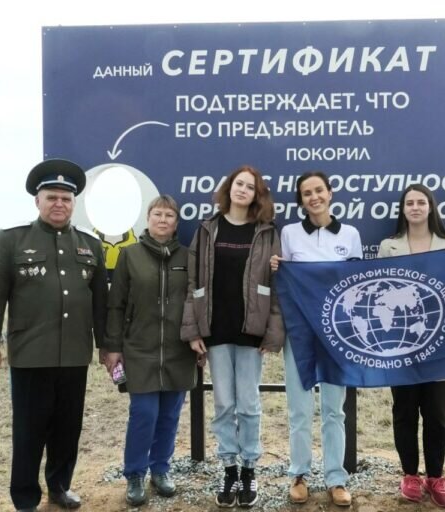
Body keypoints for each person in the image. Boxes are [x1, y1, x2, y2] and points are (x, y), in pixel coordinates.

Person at [0, 159, 108, 512]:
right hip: (31, 354)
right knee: (29, 431)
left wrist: (107, 347)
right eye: (51, 197)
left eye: (65, 198)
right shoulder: (12, 240)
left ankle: (60, 487)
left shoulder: (90, 246)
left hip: (74, 355)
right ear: (38, 201)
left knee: (67, 430)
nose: (59, 204)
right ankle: (25, 499)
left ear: (74, 203)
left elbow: (101, 304)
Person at [181, 165, 284, 508]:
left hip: (250, 331)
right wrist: (193, 329)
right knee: (224, 403)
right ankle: (229, 468)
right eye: (238, 184)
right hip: (216, 330)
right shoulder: (207, 229)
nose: (243, 190)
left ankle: (250, 469)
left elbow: (276, 286)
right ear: (229, 188)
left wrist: (272, 331)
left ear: (257, 195)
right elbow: (192, 284)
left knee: (249, 404)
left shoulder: (267, 231)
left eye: (250, 187)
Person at [270, 171, 362, 507]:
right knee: (299, 407)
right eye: (306, 193)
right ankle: (299, 474)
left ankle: (336, 478)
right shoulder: (290, 234)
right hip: (302, 333)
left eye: (318, 190)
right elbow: (288, 284)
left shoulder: (350, 234)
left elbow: (354, 285)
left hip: (337, 335)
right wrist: (278, 266)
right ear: (301, 200)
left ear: (330, 193)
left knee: (334, 410)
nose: (314, 197)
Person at [103, 195, 197, 506]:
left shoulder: (188, 256)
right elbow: (115, 305)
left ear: (176, 223)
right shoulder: (130, 256)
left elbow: (198, 301)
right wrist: (113, 347)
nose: (163, 220)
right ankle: (134, 474)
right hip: (139, 350)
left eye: (169, 216)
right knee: (144, 414)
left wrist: (198, 339)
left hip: (178, 351)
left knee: (169, 416)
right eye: (158, 214)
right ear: (148, 218)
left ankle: (160, 470)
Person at [376, 184, 445, 509]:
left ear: (430, 207)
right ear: (403, 209)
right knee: (404, 411)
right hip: (400, 345)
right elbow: (378, 290)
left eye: (420, 202)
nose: (414, 207)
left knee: (437, 413)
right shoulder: (389, 246)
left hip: (439, 344)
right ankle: (410, 474)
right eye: (409, 202)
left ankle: (436, 477)